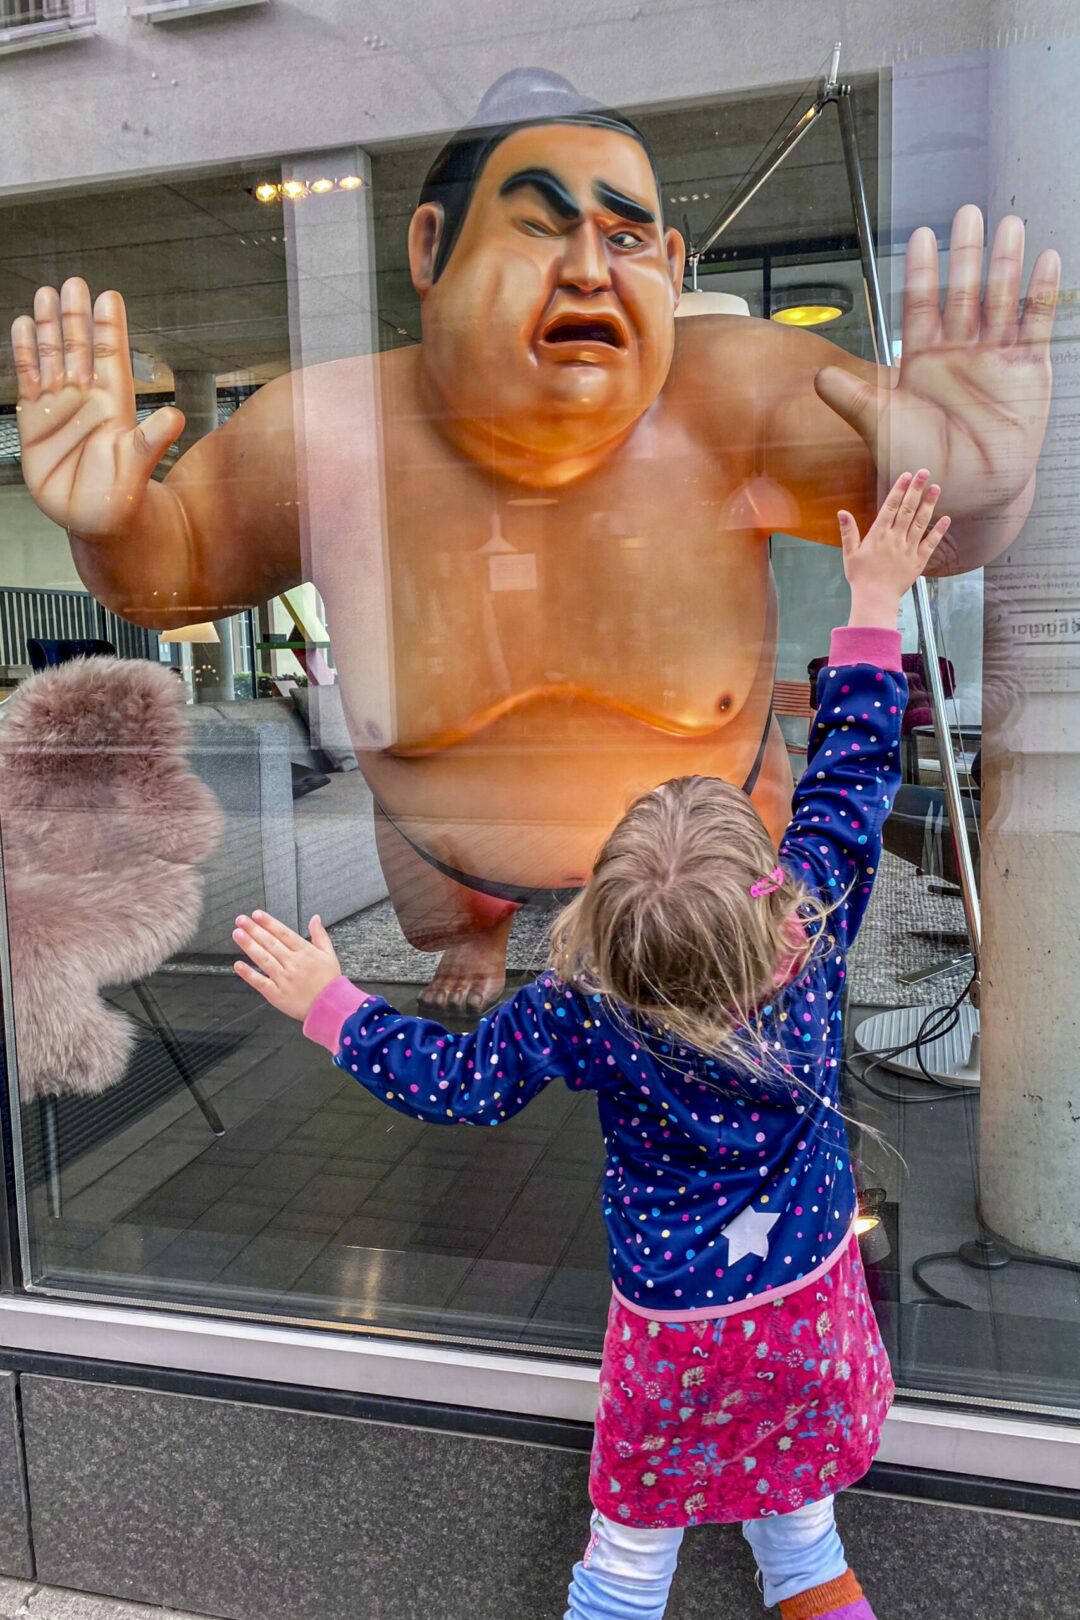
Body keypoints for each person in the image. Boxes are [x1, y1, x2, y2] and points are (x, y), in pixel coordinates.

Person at [11, 69, 1058, 1017]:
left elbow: (928, 520)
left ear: (676, 264)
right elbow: (176, 570)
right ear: (431, 250)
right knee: (483, 1003)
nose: (590, 269)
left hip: (712, 895)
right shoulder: (329, 432)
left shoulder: (736, 391)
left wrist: (977, 482)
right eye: (541, 228)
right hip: (447, 870)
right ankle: (479, 932)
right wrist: (115, 525)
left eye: (627, 237)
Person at [231, 470, 945, 1619]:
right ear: (767, 894)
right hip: (808, 1316)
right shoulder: (814, 918)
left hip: (674, 1345)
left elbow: (457, 1084)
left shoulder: (585, 1007)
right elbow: (854, 765)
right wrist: (872, 598)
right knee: (806, 1557)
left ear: (601, 922)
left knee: (623, 1575)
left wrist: (332, 1002)